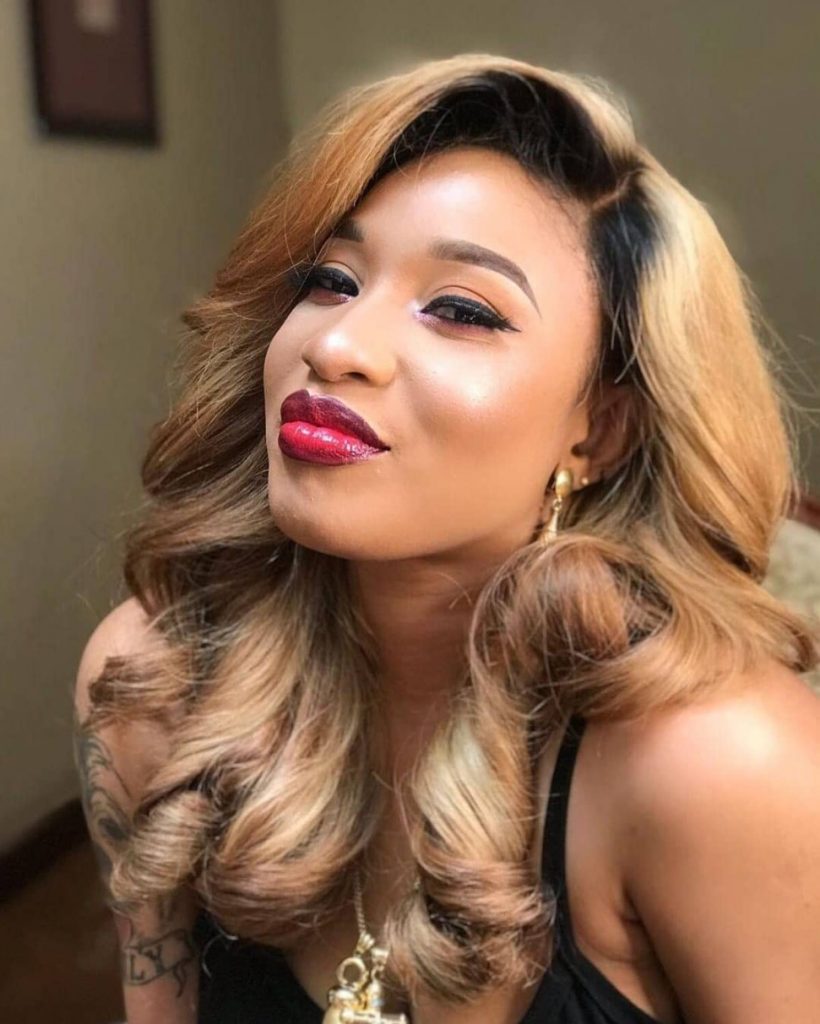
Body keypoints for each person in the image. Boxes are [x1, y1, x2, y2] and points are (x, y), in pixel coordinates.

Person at [73, 53, 820, 1024]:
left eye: (461, 310)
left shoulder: (721, 763)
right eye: (331, 280)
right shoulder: (150, 680)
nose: (335, 345)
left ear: (598, 430)